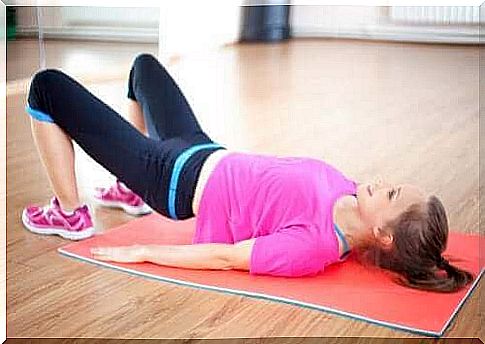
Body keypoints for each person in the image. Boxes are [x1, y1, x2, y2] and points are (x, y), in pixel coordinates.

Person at [22, 54, 473, 292]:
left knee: (46, 87)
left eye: (391, 194)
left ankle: (70, 214)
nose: (383, 182)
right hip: (200, 146)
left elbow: (226, 256)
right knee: (143, 67)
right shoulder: (355, 196)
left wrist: (143, 251)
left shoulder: (313, 246)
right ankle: (126, 191)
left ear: (384, 233)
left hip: (169, 179)